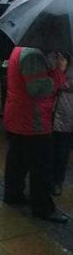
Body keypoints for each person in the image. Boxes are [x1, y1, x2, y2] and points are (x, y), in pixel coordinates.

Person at [3, 47, 68, 223]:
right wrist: (59, 72)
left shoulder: (20, 48)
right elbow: (39, 89)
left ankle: (13, 195)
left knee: (17, 159)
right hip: (33, 119)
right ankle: (43, 208)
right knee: (41, 166)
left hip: (19, 114)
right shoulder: (33, 55)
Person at [51, 53, 72, 197]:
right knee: (47, 149)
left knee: (62, 151)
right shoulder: (52, 57)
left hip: (67, 113)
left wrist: (62, 77)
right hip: (48, 112)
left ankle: (57, 181)